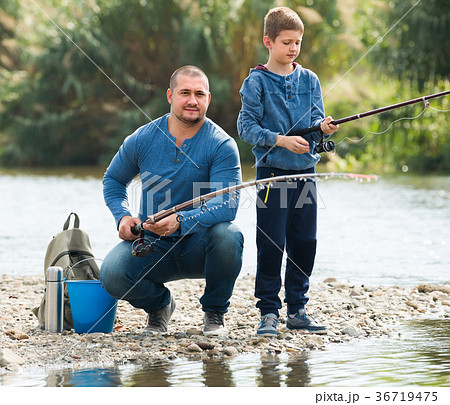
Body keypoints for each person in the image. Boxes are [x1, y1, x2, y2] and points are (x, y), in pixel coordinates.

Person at [101, 65, 243, 336]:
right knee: (111, 274)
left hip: (200, 245)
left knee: (229, 235)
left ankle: (214, 313)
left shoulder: (222, 145)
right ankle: (159, 306)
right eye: (185, 93)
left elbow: (228, 204)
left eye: (199, 94)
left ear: (208, 99)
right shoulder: (142, 138)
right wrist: (122, 215)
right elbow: (113, 181)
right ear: (170, 96)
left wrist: (180, 220)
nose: (192, 100)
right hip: (151, 245)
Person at [237, 7, 338, 336]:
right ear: (268, 41)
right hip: (271, 174)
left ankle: (298, 309)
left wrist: (323, 129)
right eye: (286, 42)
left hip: (305, 173)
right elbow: (245, 127)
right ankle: (268, 312)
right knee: (271, 244)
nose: (293, 48)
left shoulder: (310, 79)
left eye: (298, 42)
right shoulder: (256, 82)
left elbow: (317, 126)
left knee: (305, 241)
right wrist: (280, 141)